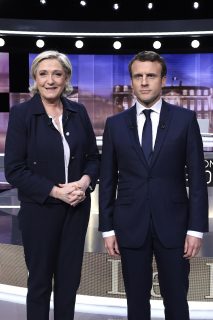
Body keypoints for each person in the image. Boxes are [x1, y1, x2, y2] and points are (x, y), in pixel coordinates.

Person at [99, 51, 208, 320]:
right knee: (136, 304)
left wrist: (196, 229)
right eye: (138, 76)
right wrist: (107, 228)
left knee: (177, 302)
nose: (144, 82)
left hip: (174, 226)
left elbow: (196, 178)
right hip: (130, 224)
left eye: (151, 76)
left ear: (163, 80)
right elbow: (108, 180)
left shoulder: (185, 120)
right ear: (132, 81)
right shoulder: (115, 125)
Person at [4, 50, 99, 320]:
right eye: (43, 73)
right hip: (39, 212)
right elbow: (14, 170)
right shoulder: (22, 114)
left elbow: (93, 158)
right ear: (35, 77)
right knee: (40, 284)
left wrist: (84, 182)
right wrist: (56, 191)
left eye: (57, 73)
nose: (50, 80)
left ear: (66, 77)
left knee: (69, 286)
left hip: (76, 212)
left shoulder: (78, 111)